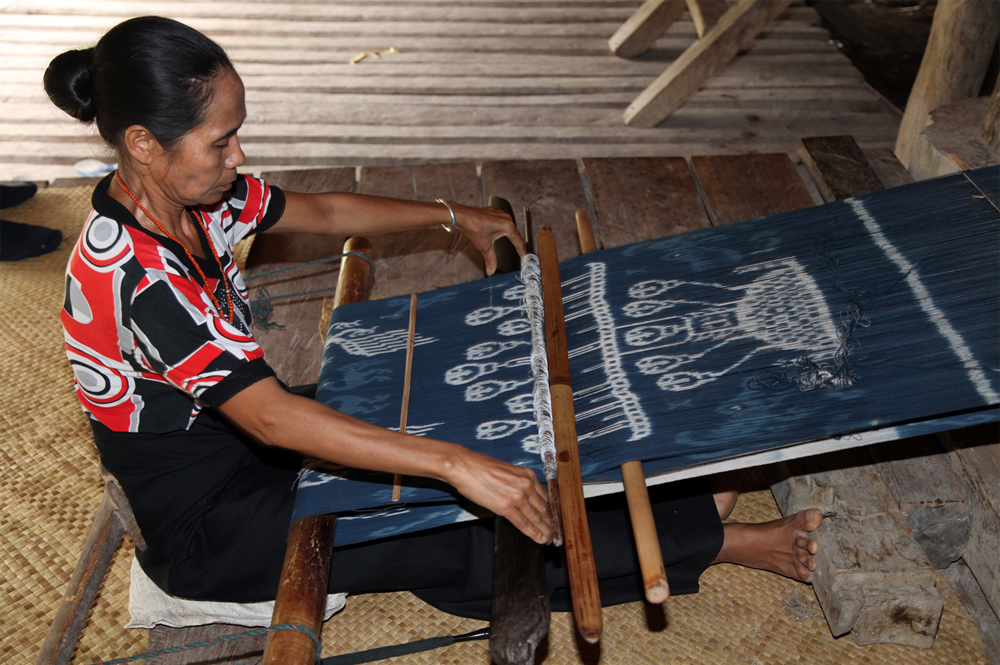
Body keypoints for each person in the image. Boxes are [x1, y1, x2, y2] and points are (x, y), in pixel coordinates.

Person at [44, 16, 821, 619]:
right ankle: (721, 542)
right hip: (213, 523)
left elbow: (321, 207)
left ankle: (669, 505)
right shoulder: (136, 281)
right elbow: (276, 421)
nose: (239, 156)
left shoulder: (193, 197)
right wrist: (454, 464)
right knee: (462, 521)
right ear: (144, 144)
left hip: (245, 445)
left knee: (463, 411)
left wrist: (458, 217)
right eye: (222, 140)